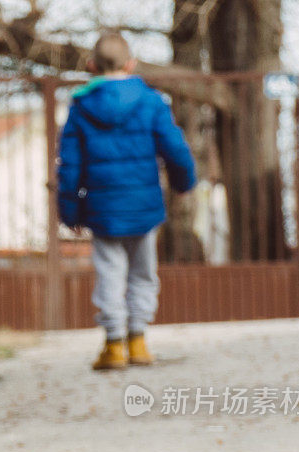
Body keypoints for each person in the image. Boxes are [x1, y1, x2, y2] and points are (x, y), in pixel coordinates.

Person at [57, 31, 196, 370]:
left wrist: (70, 211)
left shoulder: (81, 106)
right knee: (143, 274)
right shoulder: (150, 101)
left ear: (92, 65)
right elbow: (175, 149)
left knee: (110, 274)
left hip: (103, 210)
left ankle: (114, 344)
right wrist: (183, 182)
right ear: (131, 63)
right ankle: (139, 340)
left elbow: (70, 165)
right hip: (144, 205)